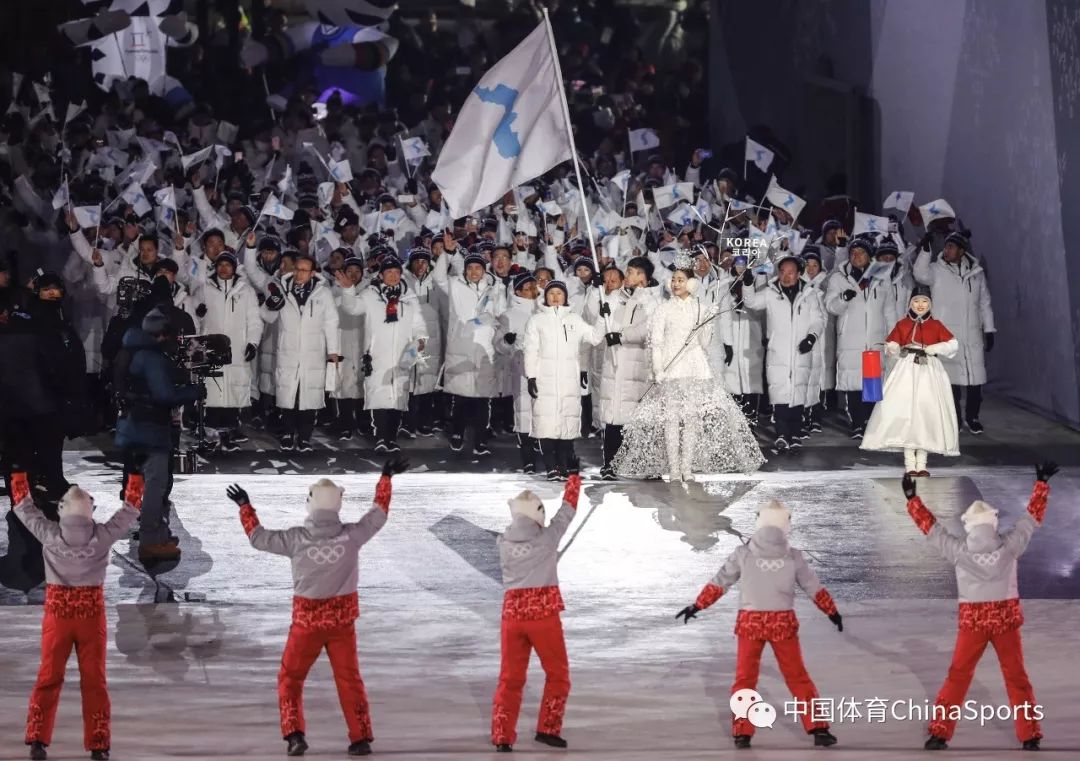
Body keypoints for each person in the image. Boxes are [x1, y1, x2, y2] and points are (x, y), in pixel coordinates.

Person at [224, 456, 409, 758]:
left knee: (290, 679)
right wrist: (386, 477)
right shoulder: (351, 536)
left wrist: (245, 506)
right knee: (349, 680)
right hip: (342, 624)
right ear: (338, 503)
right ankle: (360, 737)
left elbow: (257, 538)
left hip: (305, 625)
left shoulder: (295, 539)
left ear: (310, 503)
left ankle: (294, 734)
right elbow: (378, 514)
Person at [900, 463, 1056, 750]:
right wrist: (1042, 483)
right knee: (1016, 677)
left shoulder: (959, 551)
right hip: (1006, 621)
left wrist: (912, 499)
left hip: (973, 623)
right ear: (993, 523)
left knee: (958, 677)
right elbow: (1031, 519)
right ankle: (1029, 734)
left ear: (969, 525)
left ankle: (940, 733)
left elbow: (931, 530)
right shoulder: (1010, 547)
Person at [675, 500, 841, 750]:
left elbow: (721, 581)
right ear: (786, 524)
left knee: (745, 680)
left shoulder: (743, 554)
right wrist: (832, 611)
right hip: (782, 623)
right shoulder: (794, 556)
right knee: (797, 677)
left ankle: (742, 732)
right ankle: (818, 728)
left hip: (750, 624)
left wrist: (698, 605)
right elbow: (812, 587)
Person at [12, 469, 144, 761]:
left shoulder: (50, 535)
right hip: (91, 616)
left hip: (57, 616)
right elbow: (131, 509)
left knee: (49, 676)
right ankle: (99, 744)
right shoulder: (102, 536)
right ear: (90, 510)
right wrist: (135, 478)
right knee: (94, 680)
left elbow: (23, 508)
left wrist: (19, 473)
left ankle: (37, 739)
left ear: (61, 510)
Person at [612, 256, 764, 481]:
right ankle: (674, 469)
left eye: (680, 280)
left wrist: (708, 322)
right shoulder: (663, 310)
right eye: (673, 280)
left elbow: (703, 343)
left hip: (694, 367)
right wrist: (658, 369)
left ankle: (687, 468)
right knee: (672, 420)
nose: (675, 284)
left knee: (691, 419)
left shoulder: (700, 309)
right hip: (671, 370)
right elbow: (657, 342)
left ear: (691, 284)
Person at [491, 459, 582, 752]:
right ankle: (548, 727)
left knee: (510, 678)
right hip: (543, 615)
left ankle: (502, 735)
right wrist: (574, 479)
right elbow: (568, 512)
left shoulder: (503, 542)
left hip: (512, 616)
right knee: (558, 674)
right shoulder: (547, 538)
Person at [115, 308, 203, 562]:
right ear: (163, 335)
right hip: (150, 428)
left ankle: (155, 533)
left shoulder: (130, 348)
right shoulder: (151, 357)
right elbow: (164, 395)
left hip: (133, 424)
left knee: (139, 481)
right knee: (156, 484)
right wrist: (192, 392)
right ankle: (151, 540)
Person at [861, 287, 960, 476]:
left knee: (925, 414)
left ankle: (922, 464)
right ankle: (909, 465)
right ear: (910, 303)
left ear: (930, 304)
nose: (920, 305)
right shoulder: (902, 324)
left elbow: (953, 344)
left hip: (929, 371)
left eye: (924, 301)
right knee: (905, 414)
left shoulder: (936, 325)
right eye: (916, 301)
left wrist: (936, 347)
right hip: (905, 371)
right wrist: (892, 347)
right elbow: (893, 346)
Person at [338, 257, 427, 452]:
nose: (393, 276)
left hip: (402, 356)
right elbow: (352, 308)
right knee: (379, 397)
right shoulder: (371, 295)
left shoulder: (408, 298)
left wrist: (420, 340)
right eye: (389, 272)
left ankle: (392, 438)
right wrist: (347, 290)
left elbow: (419, 325)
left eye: (396, 272)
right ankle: (380, 437)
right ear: (381, 275)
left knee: (397, 399)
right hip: (377, 355)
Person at [913, 231, 995, 434]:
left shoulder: (976, 274)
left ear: (961, 251)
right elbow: (919, 274)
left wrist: (989, 329)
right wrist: (925, 250)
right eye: (946, 246)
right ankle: (954, 419)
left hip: (972, 334)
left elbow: (984, 303)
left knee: (975, 379)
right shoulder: (936, 270)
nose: (946, 250)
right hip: (947, 334)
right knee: (951, 380)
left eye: (951, 247)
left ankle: (973, 417)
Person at [743, 254, 825, 453]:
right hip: (778, 353)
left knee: (797, 393)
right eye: (782, 272)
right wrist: (747, 282)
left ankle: (795, 434)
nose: (786, 276)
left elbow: (818, 320)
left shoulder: (809, 294)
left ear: (798, 273)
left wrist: (811, 338)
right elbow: (751, 302)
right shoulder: (771, 293)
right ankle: (781, 434)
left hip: (801, 351)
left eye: (790, 272)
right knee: (779, 393)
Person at [523, 281, 605, 481]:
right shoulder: (537, 320)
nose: (555, 296)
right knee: (546, 425)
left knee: (567, 427)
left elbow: (594, 338)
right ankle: (551, 467)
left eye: (559, 293)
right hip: (545, 381)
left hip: (568, 382)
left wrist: (603, 317)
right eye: (551, 293)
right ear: (546, 296)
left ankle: (562, 466)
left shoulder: (574, 320)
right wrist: (531, 376)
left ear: (566, 296)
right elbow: (530, 349)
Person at [261, 253, 341, 452]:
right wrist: (271, 304)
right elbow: (266, 316)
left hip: (313, 353)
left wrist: (333, 351)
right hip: (288, 351)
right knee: (288, 397)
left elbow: (331, 323)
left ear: (313, 273)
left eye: (304, 270)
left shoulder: (323, 293)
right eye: (297, 269)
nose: (299, 273)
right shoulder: (281, 288)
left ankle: (305, 437)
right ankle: (287, 435)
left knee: (309, 398)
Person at [825, 238, 896, 439]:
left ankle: (870, 424)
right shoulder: (839, 278)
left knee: (872, 386)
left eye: (861, 253)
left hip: (874, 340)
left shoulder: (882, 278)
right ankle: (857, 423)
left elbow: (889, 311)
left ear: (869, 256)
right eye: (853, 252)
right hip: (851, 340)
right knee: (855, 385)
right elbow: (831, 306)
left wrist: (893, 337)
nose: (856, 256)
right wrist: (843, 298)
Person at [435, 238, 499, 455]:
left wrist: (485, 326)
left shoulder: (493, 289)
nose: (474, 271)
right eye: (470, 267)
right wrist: (446, 253)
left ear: (484, 269)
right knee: (461, 397)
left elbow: (497, 315)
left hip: (484, 349)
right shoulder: (455, 285)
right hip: (460, 347)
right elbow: (438, 278)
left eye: (478, 268)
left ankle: (481, 440)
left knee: (482, 399)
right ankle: (457, 432)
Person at [193, 252, 263, 451]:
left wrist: (252, 343)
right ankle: (210, 436)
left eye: (228, 265)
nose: (224, 269)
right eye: (220, 265)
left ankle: (229, 436)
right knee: (212, 392)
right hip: (211, 349)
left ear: (234, 268)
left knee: (233, 392)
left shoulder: (246, 291)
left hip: (237, 349)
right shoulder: (204, 289)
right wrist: (198, 315)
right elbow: (195, 316)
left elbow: (255, 320)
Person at [596, 256, 657, 479]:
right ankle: (610, 463)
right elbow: (600, 321)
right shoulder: (615, 297)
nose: (627, 275)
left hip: (637, 366)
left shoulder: (652, 301)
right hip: (615, 363)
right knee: (613, 416)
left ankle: (642, 464)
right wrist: (596, 295)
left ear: (643, 277)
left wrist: (621, 336)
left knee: (637, 418)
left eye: (631, 272)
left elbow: (648, 328)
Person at [495, 272, 540, 473]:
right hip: (520, 368)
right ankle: (527, 458)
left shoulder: (545, 309)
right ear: (518, 291)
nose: (533, 291)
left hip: (543, 367)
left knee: (543, 411)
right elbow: (498, 345)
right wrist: (507, 342)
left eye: (534, 287)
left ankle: (544, 450)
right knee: (523, 412)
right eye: (528, 288)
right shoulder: (508, 315)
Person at [717, 255, 766, 426]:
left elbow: (760, 310)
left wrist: (749, 285)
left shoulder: (758, 284)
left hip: (750, 337)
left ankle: (751, 422)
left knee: (751, 380)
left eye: (744, 265)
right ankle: (734, 425)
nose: (740, 268)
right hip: (731, 337)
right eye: (738, 265)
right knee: (732, 380)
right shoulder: (723, 284)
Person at [401, 247, 445, 437]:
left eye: (424, 261)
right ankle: (407, 422)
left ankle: (424, 421)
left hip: (432, 339)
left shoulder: (436, 282)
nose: (420, 264)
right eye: (417, 260)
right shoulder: (403, 281)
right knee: (408, 382)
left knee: (427, 382)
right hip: (409, 337)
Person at [800, 247, 833, 433]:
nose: (811, 269)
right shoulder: (799, 285)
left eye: (815, 265)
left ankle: (815, 416)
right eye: (807, 265)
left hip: (822, 340)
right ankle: (804, 415)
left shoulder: (825, 284)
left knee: (818, 378)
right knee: (804, 377)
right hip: (805, 339)